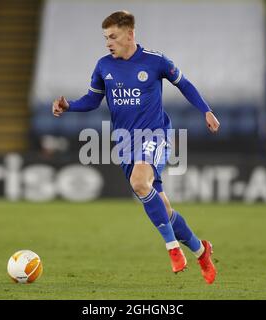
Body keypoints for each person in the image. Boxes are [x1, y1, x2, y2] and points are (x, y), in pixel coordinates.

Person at [52, 10, 219, 284]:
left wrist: (206, 111)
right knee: (161, 206)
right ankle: (202, 251)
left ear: (130, 34)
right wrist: (69, 106)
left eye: (113, 37)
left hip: (155, 135)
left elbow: (185, 84)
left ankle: (173, 249)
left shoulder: (156, 61)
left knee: (139, 182)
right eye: (105, 38)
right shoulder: (104, 66)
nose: (108, 43)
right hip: (125, 143)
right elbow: (92, 101)